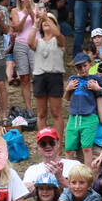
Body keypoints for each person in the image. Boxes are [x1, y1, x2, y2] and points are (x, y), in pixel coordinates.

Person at [64, 51, 102, 167]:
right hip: (74, 117)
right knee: (69, 148)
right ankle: (68, 174)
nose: (82, 69)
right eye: (79, 67)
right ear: (75, 68)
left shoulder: (95, 78)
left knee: (87, 148)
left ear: (90, 64)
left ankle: (87, 174)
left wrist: (97, 88)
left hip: (89, 116)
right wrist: (68, 89)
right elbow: (67, 98)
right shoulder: (73, 79)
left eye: (84, 66)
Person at [28, 9, 67, 138]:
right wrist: (36, 23)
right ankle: (43, 140)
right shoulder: (38, 41)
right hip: (39, 76)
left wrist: (46, 17)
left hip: (54, 76)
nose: (46, 22)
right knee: (41, 113)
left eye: (50, 21)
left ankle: (58, 143)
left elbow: (58, 33)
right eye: (44, 21)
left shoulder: (59, 40)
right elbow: (29, 42)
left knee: (56, 112)